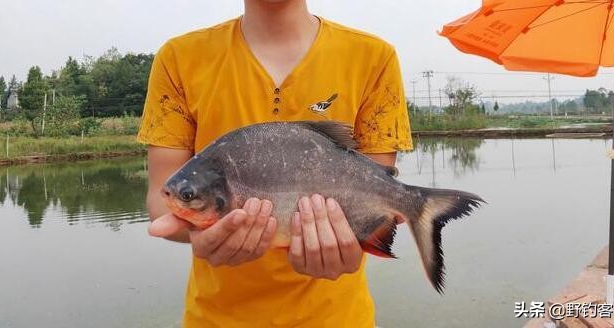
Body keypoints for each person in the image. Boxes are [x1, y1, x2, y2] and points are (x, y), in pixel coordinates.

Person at [137, 0, 413, 327]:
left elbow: (374, 191)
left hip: (337, 317)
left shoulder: (374, 58)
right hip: (216, 318)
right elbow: (162, 198)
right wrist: (196, 237)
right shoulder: (179, 59)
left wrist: (354, 242)